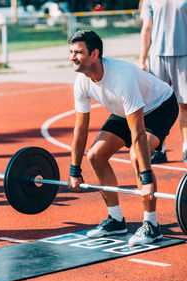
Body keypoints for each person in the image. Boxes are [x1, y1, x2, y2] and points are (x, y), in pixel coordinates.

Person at [67, 30, 179, 245]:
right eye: (71, 52)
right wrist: (75, 171)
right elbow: (80, 129)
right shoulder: (81, 82)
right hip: (123, 112)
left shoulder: (121, 76)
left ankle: (152, 225)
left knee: (137, 156)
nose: (73, 57)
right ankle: (116, 220)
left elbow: (137, 133)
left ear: (95, 54)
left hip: (159, 107)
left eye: (78, 52)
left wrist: (145, 180)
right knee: (95, 156)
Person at [139, 0, 187, 164]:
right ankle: (160, 149)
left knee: (185, 104)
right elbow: (146, 28)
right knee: (156, 105)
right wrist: (142, 59)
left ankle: (186, 148)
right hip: (157, 56)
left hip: (184, 54)